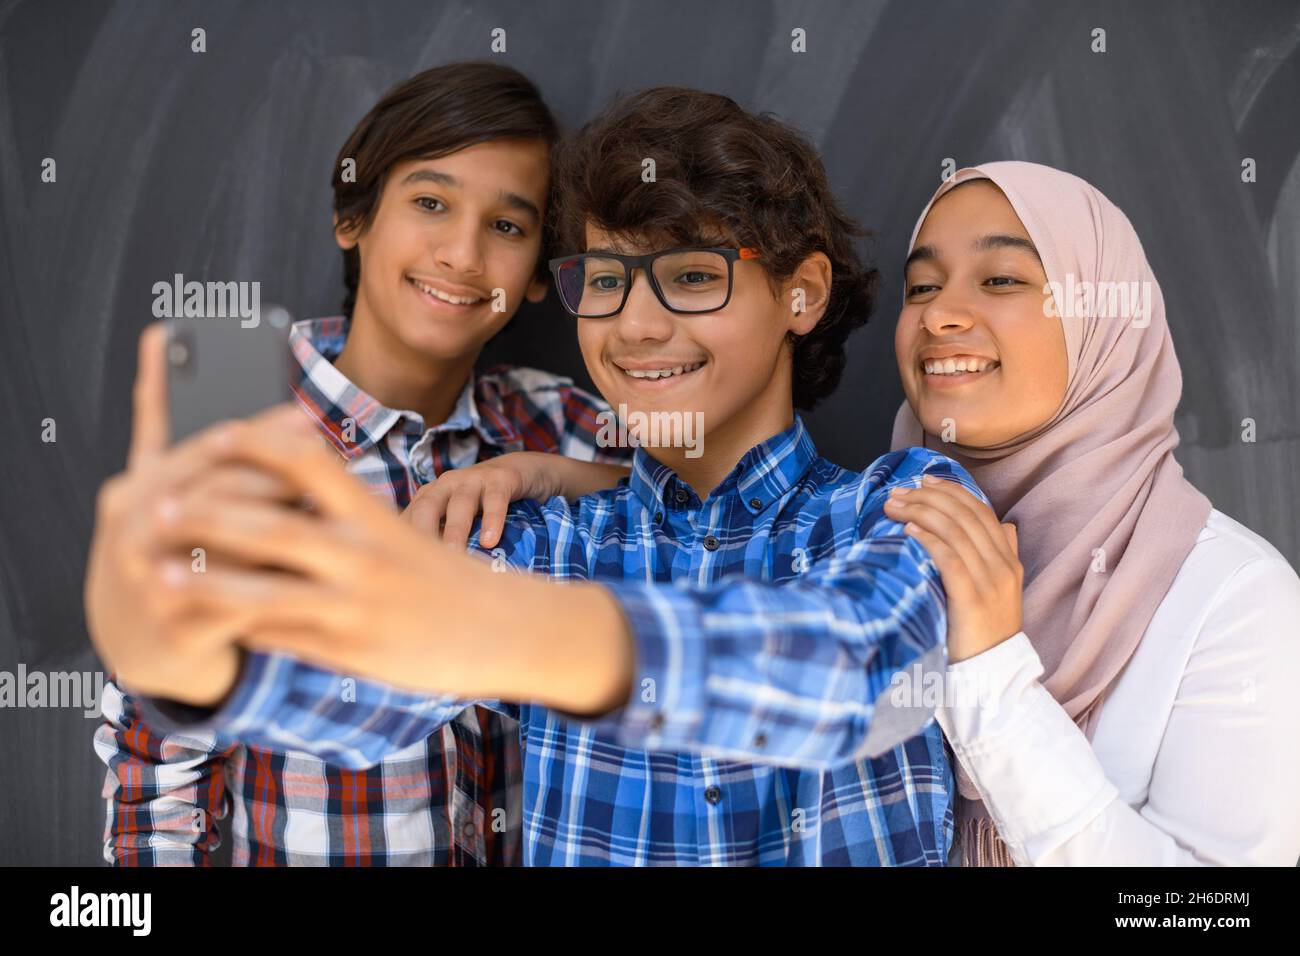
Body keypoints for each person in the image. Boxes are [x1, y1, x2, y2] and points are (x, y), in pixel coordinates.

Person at [88, 87, 991, 866]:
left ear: (802, 293)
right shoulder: (541, 538)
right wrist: (199, 663)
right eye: (604, 281)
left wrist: (533, 635)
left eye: (687, 276)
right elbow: (366, 692)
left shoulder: (900, 504)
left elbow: (859, 671)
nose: (634, 327)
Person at [448, 160, 1300, 867]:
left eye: (1002, 278)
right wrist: (585, 480)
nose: (943, 316)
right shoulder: (897, 515)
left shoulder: (1231, 597)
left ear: (1105, 319)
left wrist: (994, 679)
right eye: (923, 285)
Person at [88, 61, 629, 867]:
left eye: (508, 227)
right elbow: (159, 758)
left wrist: (539, 473)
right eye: (431, 203)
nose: (462, 254)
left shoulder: (560, 425)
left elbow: (697, 520)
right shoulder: (238, 421)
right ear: (355, 217)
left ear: (540, 278)